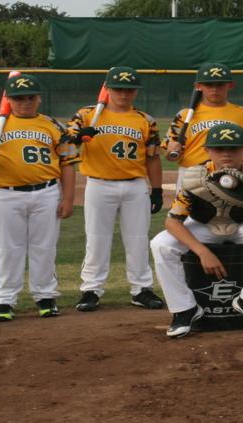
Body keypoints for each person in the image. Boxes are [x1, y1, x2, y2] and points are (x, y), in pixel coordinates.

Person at [150, 121, 243, 339]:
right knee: (161, 244)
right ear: (207, 151)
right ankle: (184, 309)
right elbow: (172, 222)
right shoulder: (194, 177)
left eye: (234, 148)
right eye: (219, 148)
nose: (226, 154)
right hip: (202, 226)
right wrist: (202, 252)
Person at [0, 72, 80, 321]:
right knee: (8, 249)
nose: (25, 102)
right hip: (5, 194)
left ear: (39, 98)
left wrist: (68, 199)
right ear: (8, 99)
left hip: (46, 191)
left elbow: (68, 163)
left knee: (45, 247)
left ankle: (45, 296)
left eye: (30, 97)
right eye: (19, 98)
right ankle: (3, 300)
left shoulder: (53, 125)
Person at [66, 65, 165, 312]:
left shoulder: (145, 120)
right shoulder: (87, 115)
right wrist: (79, 137)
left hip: (134, 186)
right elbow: (66, 144)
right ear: (107, 89)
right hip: (99, 184)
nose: (124, 94)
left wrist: (157, 190)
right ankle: (91, 289)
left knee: (138, 239)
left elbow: (153, 157)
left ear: (136, 92)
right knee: (97, 239)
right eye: (119, 89)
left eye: (129, 89)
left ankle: (141, 289)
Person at [165, 63, 243, 167]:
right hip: (192, 171)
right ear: (198, 86)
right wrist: (171, 152)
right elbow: (171, 156)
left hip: (233, 172)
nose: (214, 89)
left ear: (231, 85)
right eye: (209, 84)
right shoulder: (185, 115)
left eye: (220, 84)